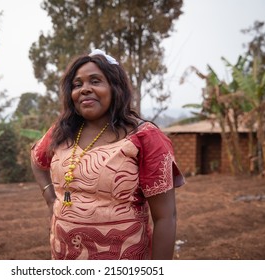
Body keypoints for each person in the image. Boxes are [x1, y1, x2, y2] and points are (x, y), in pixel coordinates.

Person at [30, 49, 185, 260]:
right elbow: (37, 160)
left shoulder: (144, 137)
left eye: (95, 81)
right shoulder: (62, 130)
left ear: (115, 87)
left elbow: (165, 217)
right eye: (77, 84)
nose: (85, 89)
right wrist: (51, 200)